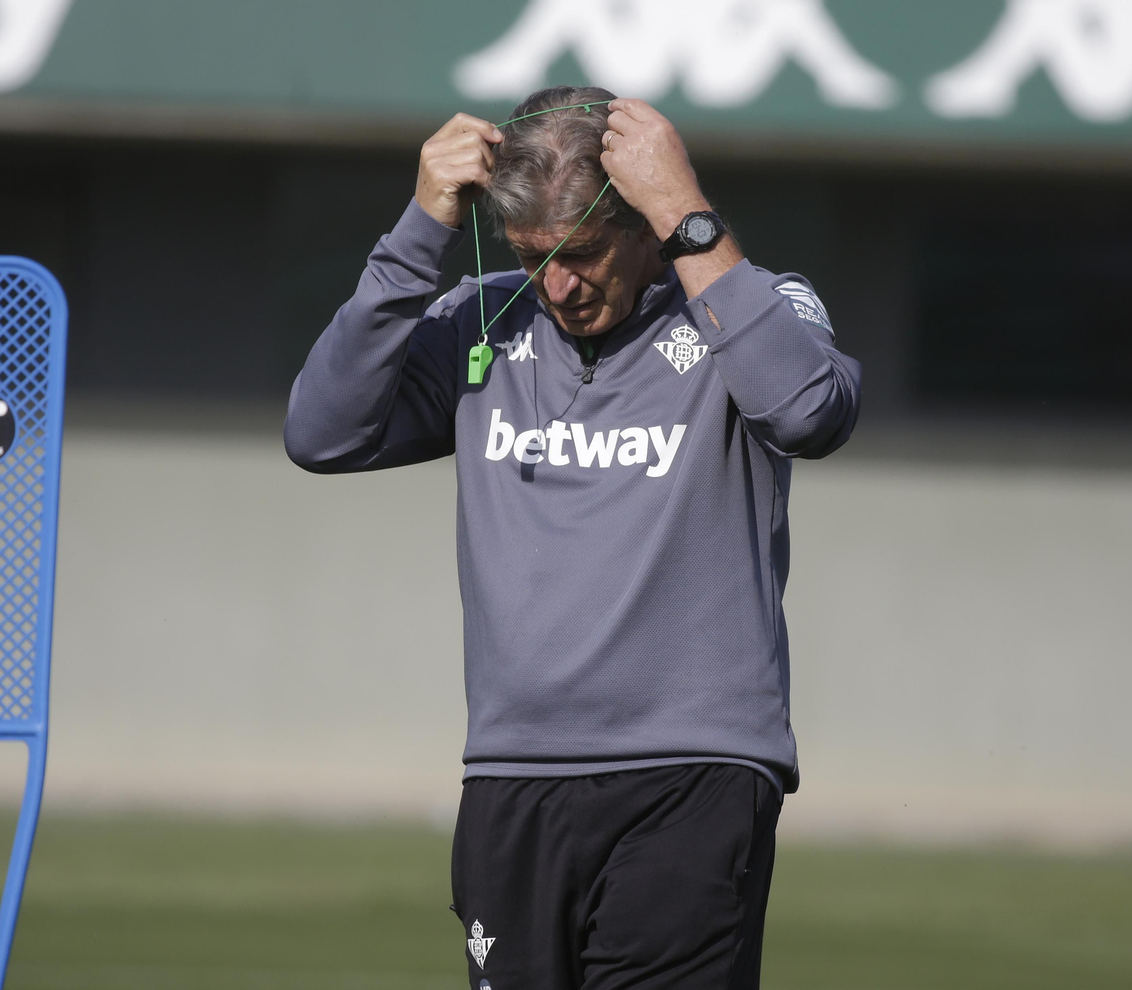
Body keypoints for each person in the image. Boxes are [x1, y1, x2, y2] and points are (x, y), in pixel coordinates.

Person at [284, 85, 861, 990]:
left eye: (581, 254)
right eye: (532, 257)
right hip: (510, 774)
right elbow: (322, 434)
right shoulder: (484, 316)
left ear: (642, 225)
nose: (557, 286)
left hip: (692, 771)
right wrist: (419, 232)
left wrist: (687, 212)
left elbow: (809, 413)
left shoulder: (750, 303)